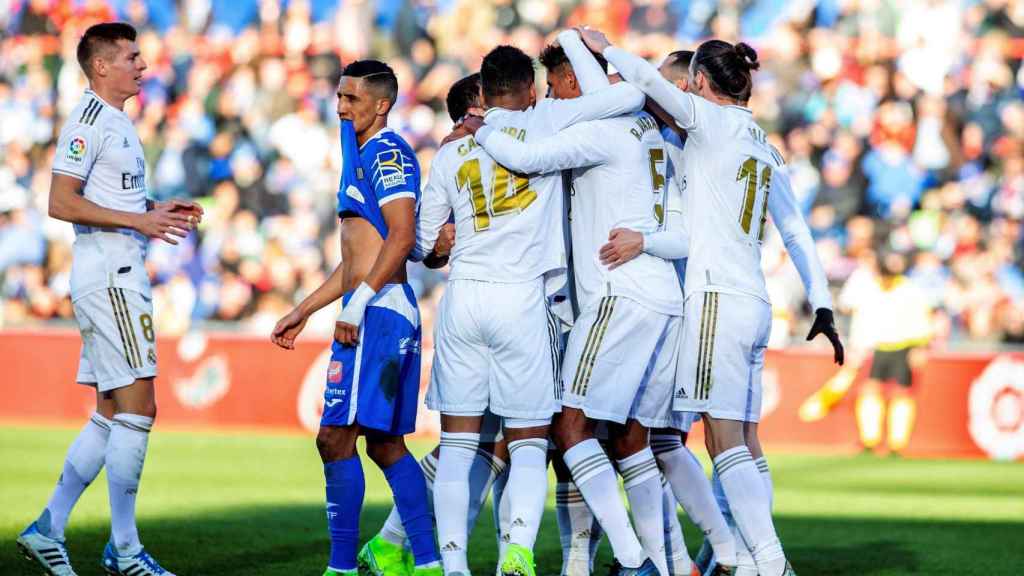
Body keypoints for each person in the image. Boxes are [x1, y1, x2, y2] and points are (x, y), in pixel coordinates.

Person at [578, 30, 844, 576]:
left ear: (699, 82)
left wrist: (604, 48)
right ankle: (747, 561)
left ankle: (769, 563)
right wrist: (822, 303)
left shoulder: (707, 120)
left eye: (690, 82)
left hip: (716, 299)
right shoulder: (765, 145)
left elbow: (650, 81)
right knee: (746, 439)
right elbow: (795, 233)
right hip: (755, 300)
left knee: (722, 442)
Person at [419, 44, 647, 576]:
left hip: (463, 296)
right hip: (521, 298)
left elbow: (425, 244)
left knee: (457, 441)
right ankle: (516, 556)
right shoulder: (546, 120)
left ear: (484, 87)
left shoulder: (451, 150)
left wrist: (444, 243)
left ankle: (452, 566)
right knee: (526, 440)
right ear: (527, 88)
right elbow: (629, 96)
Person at [464, 29, 683, 576]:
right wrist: (592, 47)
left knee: (567, 428)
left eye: (556, 85)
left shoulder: (597, 133)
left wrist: (482, 125)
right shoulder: (646, 129)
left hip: (612, 296)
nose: (550, 99)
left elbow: (526, 155)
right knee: (636, 440)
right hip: (657, 295)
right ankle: (672, 560)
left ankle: (635, 561)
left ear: (567, 79)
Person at [17, 22, 202, 576]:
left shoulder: (118, 122)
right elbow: (60, 200)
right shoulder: (88, 121)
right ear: (102, 66)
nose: (143, 66)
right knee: (140, 409)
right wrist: (137, 220)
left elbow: (106, 196)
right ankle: (124, 551)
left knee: (111, 410)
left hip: (115, 270)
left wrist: (152, 207)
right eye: (132, 57)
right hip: (112, 275)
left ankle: (48, 528)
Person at [270, 60, 440, 576]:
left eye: (352, 99)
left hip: (379, 313)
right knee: (385, 445)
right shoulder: (361, 153)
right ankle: (428, 564)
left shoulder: (386, 152)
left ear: (381, 104)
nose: (341, 108)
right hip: (369, 306)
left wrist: (358, 304)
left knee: (336, 438)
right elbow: (357, 258)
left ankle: (343, 567)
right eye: (339, 97)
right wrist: (305, 308)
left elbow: (402, 238)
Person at [359, 74, 512, 576]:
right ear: (474, 109)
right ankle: (433, 552)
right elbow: (426, 243)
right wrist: (443, 243)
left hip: (495, 305)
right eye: (493, 103)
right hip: (498, 310)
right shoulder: (462, 154)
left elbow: (436, 243)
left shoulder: (485, 151)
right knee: (496, 443)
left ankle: (403, 544)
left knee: (484, 444)